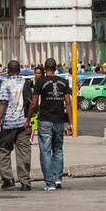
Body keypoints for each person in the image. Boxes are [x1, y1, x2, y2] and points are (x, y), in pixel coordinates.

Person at [30, 58, 72, 191]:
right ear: (56, 68)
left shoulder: (40, 82)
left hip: (45, 120)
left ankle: (50, 183)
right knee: (58, 150)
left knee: (45, 151)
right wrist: (71, 123)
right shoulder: (63, 82)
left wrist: (28, 118)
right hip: (59, 120)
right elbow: (68, 103)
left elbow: (34, 103)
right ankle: (58, 179)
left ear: (44, 67)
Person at [0, 59, 32, 190]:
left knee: (4, 150)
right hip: (23, 123)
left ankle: (8, 178)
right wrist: (29, 120)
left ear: (8, 71)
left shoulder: (5, 83)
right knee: (23, 152)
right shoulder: (25, 83)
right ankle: (25, 181)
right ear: (19, 70)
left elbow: (2, 103)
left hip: (9, 123)